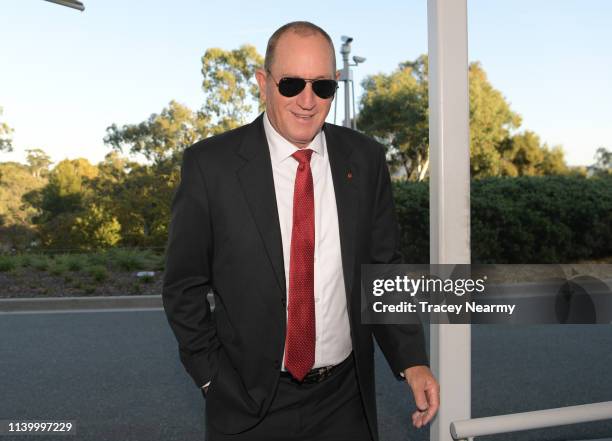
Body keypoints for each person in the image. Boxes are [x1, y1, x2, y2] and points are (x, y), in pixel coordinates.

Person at [162, 21, 439, 441]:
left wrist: (412, 359)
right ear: (263, 83)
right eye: (291, 84)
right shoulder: (210, 167)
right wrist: (211, 379)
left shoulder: (365, 160)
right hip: (248, 404)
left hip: (345, 402)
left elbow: (382, 269)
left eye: (323, 87)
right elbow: (183, 287)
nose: (308, 101)